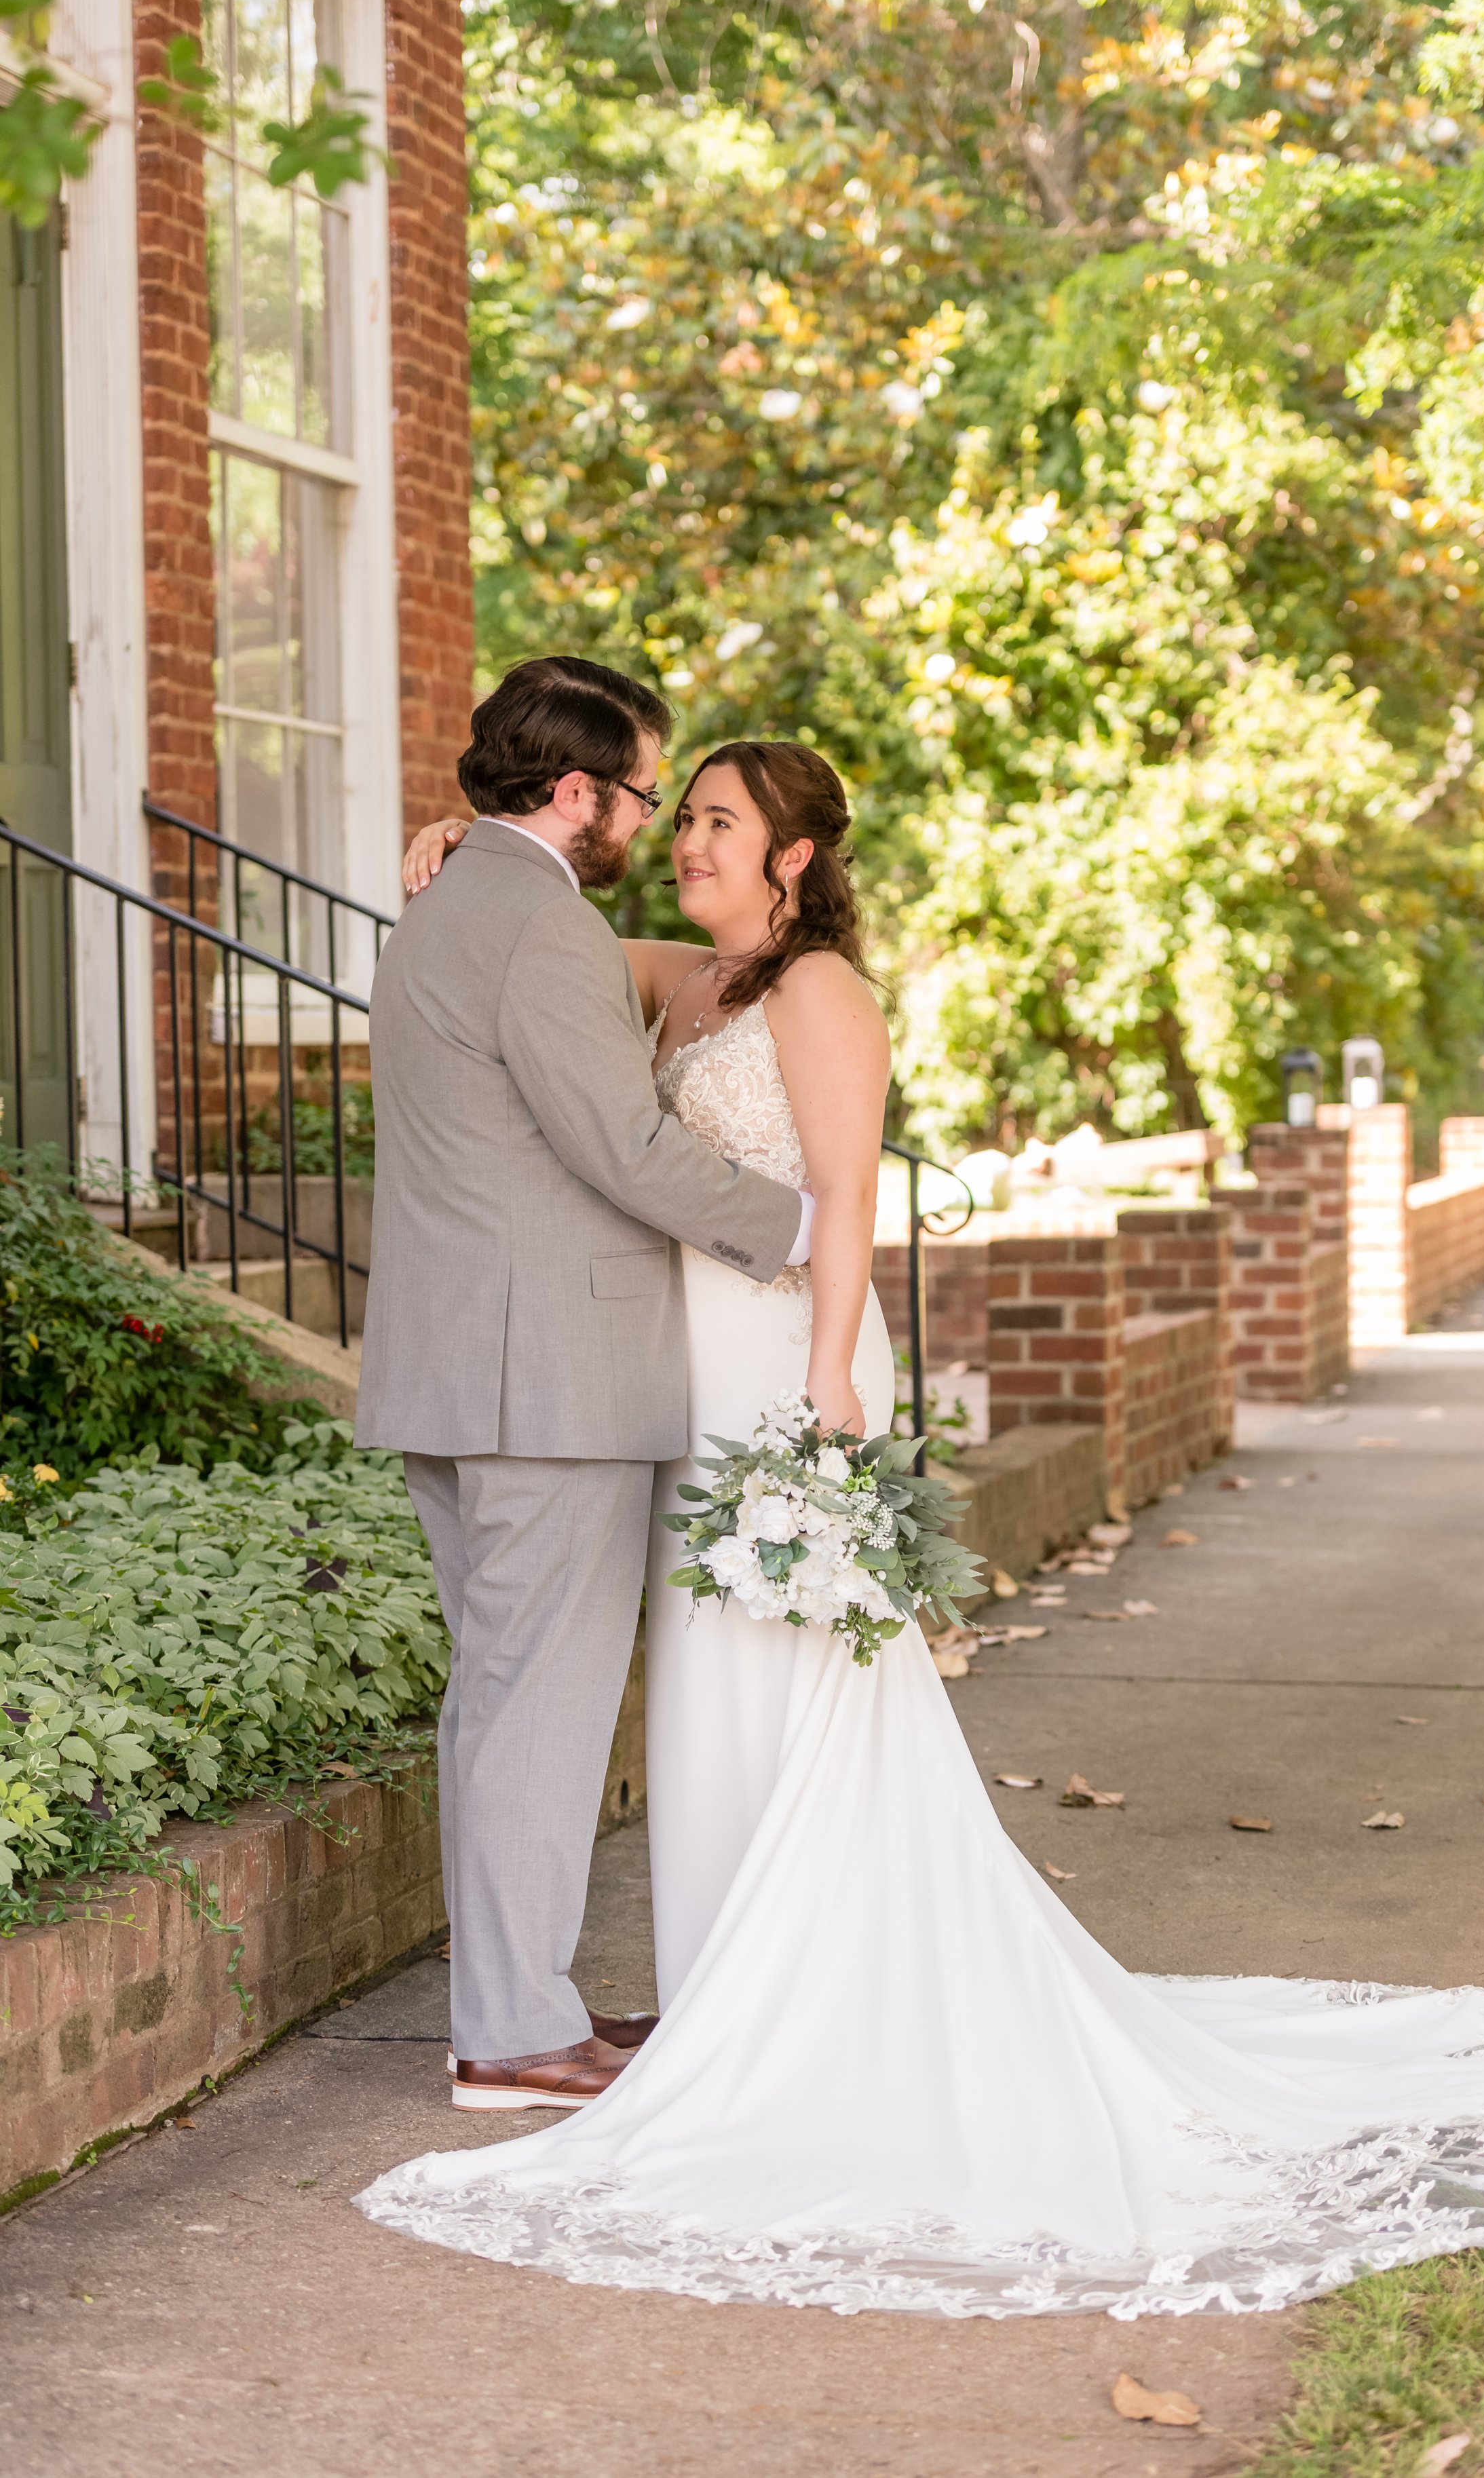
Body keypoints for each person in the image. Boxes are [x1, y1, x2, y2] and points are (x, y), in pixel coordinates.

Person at [358, 732, 1484, 2321]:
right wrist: (478, 832)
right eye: (676, 812)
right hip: (681, 1383)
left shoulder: (819, 993)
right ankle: (732, 1995)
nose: (685, 841)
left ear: (792, 858)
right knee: (711, 1684)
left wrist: (829, 1392)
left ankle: (820, 1999)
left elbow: (845, 1200)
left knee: (792, 1677)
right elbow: (547, 928)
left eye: (716, 823)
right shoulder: (683, 980)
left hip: (784, 1371)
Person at [354, 657, 813, 2116]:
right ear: (574, 794)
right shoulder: (538, 929)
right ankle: (512, 2034)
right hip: (543, 1380)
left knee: (501, 1700)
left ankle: (518, 2005)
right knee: (535, 1708)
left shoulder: (439, 909)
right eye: (637, 794)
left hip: (457, 1366)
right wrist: (803, 1228)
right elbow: (621, 1149)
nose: (650, 823)